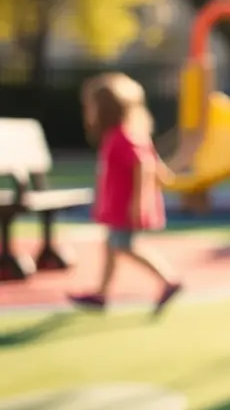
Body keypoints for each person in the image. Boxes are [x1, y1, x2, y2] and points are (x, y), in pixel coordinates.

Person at [69, 73, 183, 314]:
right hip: (118, 206)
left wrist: (138, 202)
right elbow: (153, 161)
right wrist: (162, 175)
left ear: (105, 109)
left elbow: (142, 164)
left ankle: (168, 280)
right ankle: (102, 293)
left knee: (124, 246)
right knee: (112, 246)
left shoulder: (122, 137)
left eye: (91, 107)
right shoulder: (126, 134)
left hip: (124, 207)